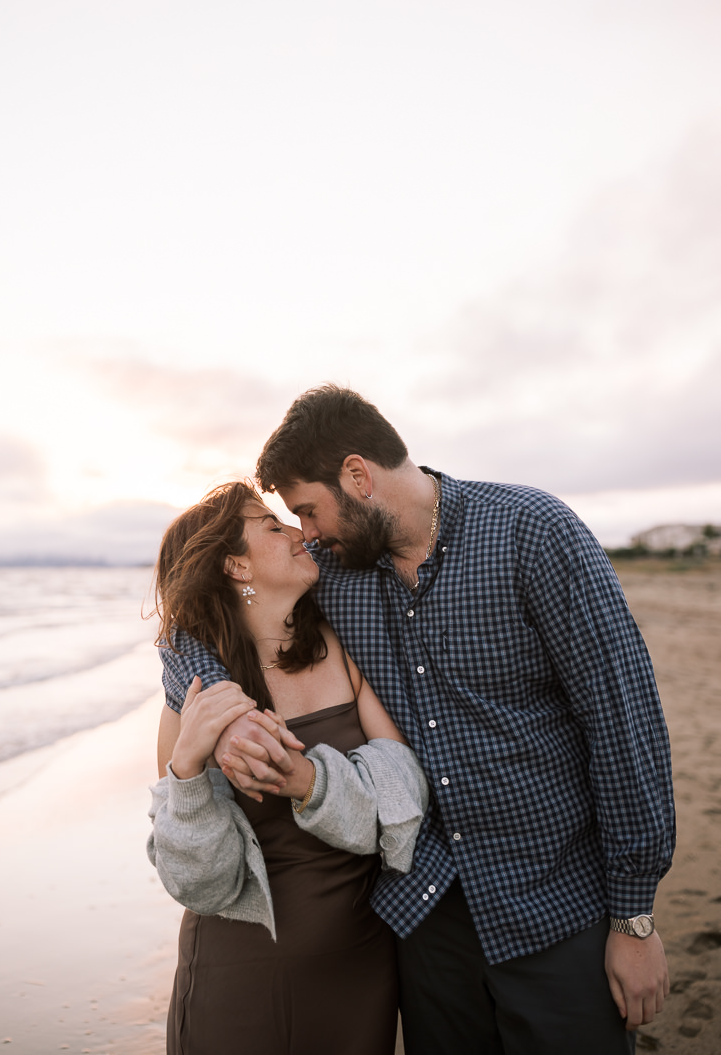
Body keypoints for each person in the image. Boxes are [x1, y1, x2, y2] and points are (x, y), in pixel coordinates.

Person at [160, 386, 676, 1055]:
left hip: (554, 909)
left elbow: (624, 722)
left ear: (357, 476)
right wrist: (226, 716)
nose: (307, 533)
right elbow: (194, 625)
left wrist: (633, 918)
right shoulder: (335, 571)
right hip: (426, 920)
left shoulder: (532, 531)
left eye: (309, 511)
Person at [147, 479, 428, 1055]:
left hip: (358, 964)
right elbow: (197, 881)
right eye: (272, 526)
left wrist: (308, 782)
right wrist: (187, 775)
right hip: (239, 970)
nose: (298, 531)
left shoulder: (340, 649)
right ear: (235, 566)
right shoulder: (195, 699)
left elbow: (404, 789)